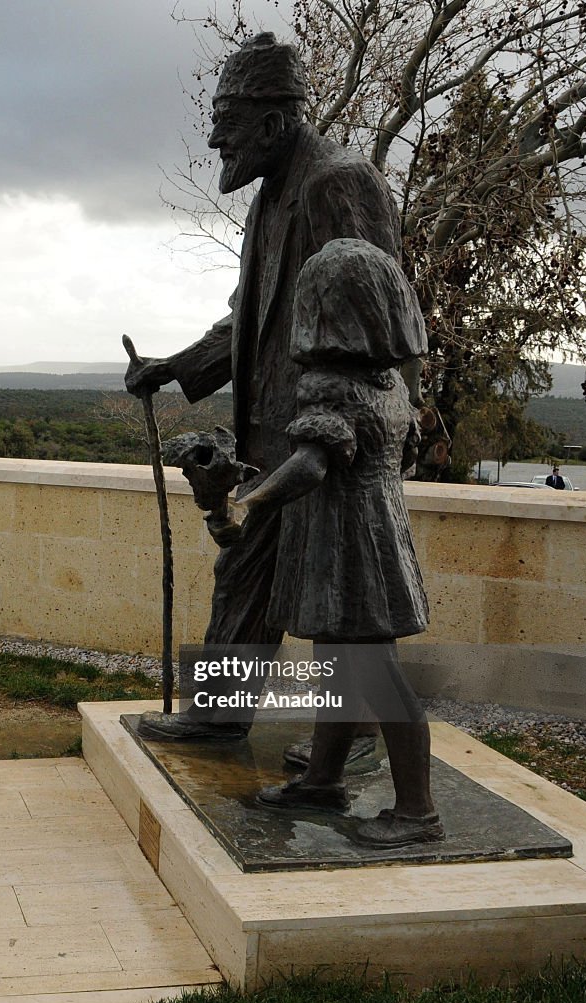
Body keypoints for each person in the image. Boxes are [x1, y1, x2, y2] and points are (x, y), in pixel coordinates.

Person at [127, 33, 405, 744]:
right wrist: (175, 366)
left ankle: (352, 751)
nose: (219, 145)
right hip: (271, 434)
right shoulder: (271, 193)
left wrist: (350, 425)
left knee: (338, 609)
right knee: (244, 575)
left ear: (274, 125)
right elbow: (246, 319)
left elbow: (381, 310)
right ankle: (219, 717)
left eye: (228, 130)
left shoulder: (339, 182)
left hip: (328, 438)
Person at [240, 238, 442, 848]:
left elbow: (309, 466)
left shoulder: (329, 386)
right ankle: (324, 777)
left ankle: (417, 811)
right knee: (339, 662)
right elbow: (398, 458)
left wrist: (248, 502)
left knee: (374, 671)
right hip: (381, 530)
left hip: (348, 540)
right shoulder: (392, 385)